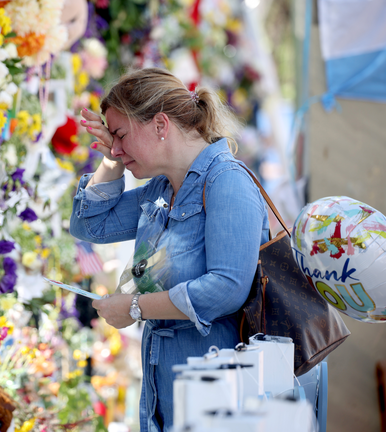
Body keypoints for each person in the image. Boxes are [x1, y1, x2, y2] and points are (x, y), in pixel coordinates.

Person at [69, 68, 270, 432]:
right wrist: (112, 161)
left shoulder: (227, 181)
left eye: (120, 135)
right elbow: (89, 225)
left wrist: (135, 305)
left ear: (160, 124)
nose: (115, 146)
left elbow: (227, 287)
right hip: (165, 396)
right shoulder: (161, 189)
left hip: (218, 400)